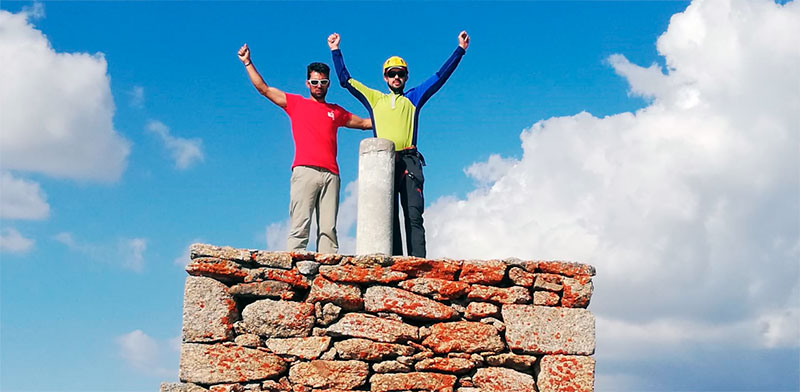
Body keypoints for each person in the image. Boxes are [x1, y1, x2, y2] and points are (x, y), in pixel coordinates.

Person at [327, 31, 470, 258]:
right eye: (391, 74)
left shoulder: (413, 97)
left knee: (413, 215)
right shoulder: (375, 99)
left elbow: (439, 77)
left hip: (410, 162)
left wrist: (460, 50)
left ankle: (417, 263)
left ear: (406, 77)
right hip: (385, 164)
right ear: (385, 77)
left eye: (400, 74)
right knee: (388, 215)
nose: (396, 78)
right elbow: (346, 81)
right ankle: (393, 262)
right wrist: (335, 51)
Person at [238, 43, 372, 254]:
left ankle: (327, 271)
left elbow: (365, 123)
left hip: (331, 174)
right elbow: (264, 89)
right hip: (304, 171)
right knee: (300, 224)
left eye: (323, 82)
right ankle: (293, 272)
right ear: (307, 83)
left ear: (328, 84)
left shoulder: (335, 111)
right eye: (315, 81)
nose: (319, 85)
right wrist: (247, 62)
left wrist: (390, 117)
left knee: (328, 229)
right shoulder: (296, 103)